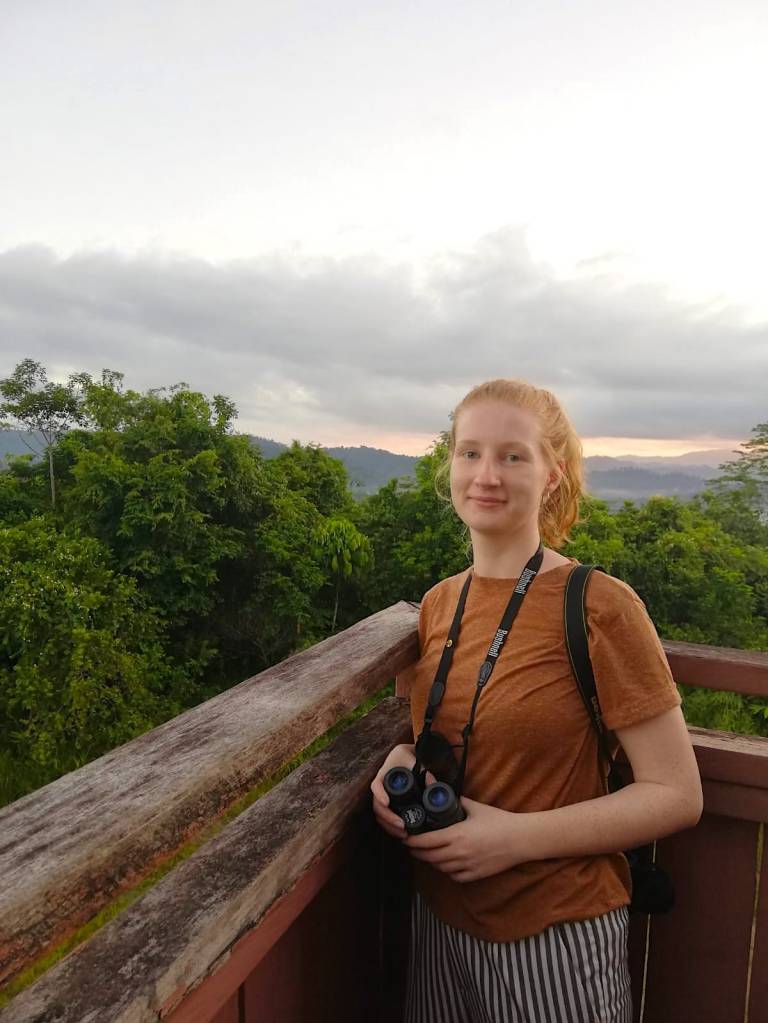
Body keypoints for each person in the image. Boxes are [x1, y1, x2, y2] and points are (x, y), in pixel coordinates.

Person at [370, 378, 703, 1023]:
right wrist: (402, 755)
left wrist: (515, 840)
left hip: (555, 932)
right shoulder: (441, 603)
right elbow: (461, 724)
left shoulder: (600, 605)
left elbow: (677, 794)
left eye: (512, 456)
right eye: (469, 453)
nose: (486, 475)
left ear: (552, 476)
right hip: (441, 919)